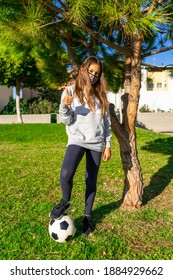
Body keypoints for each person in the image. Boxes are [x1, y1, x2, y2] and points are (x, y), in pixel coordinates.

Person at [49, 56, 112, 235]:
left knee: (90, 180)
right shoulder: (70, 91)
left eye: (96, 73)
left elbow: (106, 123)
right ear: (83, 69)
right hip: (76, 139)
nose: (93, 76)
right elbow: (67, 120)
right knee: (66, 173)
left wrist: (107, 144)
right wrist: (64, 106)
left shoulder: (101, 95)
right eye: (90, 71)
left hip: (97, 143)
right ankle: (65, 200)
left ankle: (87, 218)